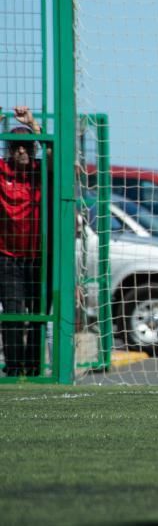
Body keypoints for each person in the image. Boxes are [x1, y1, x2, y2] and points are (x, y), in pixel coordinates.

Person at [0, 106, 45, 377]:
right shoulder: (3, 171)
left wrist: (34, 125)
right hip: (7, 256)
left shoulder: (42, 173)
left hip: (38, 256)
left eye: (26, 146)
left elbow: (54, 155)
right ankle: (14, 367)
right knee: (14, 314)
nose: (21, 151)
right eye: (16, 146)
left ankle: (35, 366)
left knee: (37, 314)